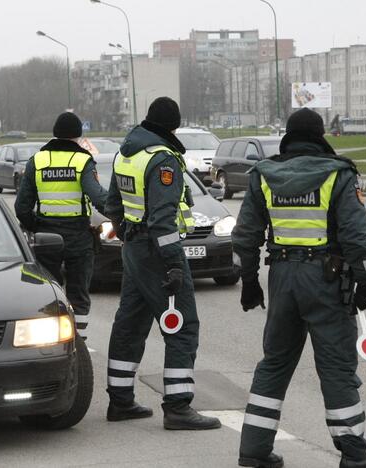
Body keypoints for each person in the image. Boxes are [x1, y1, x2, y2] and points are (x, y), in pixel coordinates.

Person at [233, 108, 366, 468]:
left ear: (289, 137)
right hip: (327, 282)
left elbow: (246, 236)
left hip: (282, 277)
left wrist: (250, 281)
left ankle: (253, 451)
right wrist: (365, 280)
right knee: (336, 368)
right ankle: (353, 454)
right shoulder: (339, 175)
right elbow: (356, 236)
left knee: (274, 363)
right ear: (320, 137)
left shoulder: (264, 175)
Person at [104, 97, 220, 431]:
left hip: (134, 250)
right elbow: (162, 221)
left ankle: (121, 400)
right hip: (158, 253)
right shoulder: (162, 160)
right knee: (182, 327)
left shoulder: (127, 154)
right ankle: (178, 407)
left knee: (130, 324)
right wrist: (172, 264)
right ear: (173, 126)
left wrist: (128, 233)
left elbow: (114, 204)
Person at [14, 112, 107, 338]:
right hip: (78, 237)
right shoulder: (83, 161)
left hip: (47, 239)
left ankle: (51, 339)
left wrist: (37, 226)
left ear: (55, 134)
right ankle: (78, 341)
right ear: (78, 137)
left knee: (49, 292)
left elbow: (21, 207)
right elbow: (98, 198)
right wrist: (120, 217)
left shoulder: (37, 161)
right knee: (78, 295)